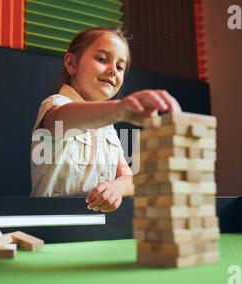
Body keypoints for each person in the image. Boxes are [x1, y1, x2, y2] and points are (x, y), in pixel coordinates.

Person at [30, 27, 182, 213]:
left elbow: (130, 178)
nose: (113, 71)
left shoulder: (107, 127)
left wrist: (117, 188)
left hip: (96, 227)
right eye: (102, 59)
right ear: (71, 64)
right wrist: (120, 108)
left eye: (120, 67)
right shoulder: (56, 105)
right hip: (50, 223)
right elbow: (63, 118)